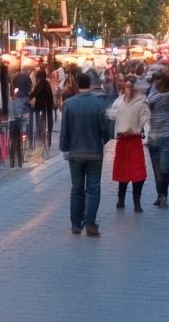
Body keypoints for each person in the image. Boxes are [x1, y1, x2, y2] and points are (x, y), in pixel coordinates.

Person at [59, 72, 112, 236]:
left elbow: (64, 129)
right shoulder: (98, 103)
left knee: (76, 188)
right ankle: (90, 223)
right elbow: (105, 128)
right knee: (93, 187)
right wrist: (104, 140)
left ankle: (76, 224)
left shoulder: (69, 103)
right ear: (90, 84)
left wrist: (64, 148)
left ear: (76, 83)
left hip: (75, 152)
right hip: (94, 152)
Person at [108, 77, 149, 211]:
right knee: (122, 172)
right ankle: (121, 199)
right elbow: (111, 114)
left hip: (135, 140)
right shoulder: (119, 101)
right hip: (123, 141)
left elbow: (146, 119)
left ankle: (137, 201)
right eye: (126, 86)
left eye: (130, 87)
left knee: (138, 172)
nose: (127, 89)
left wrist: (138, 130)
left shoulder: (141, 102)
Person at [145, 72, 169, 209]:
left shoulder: (167, 96)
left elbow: (149, 101)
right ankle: (162, 195)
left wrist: (154, 87)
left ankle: (162, 195)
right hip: (160, 137)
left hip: (163, 137)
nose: (155, 83)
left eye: (157, 81)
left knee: (161, 169)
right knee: (162, 169)